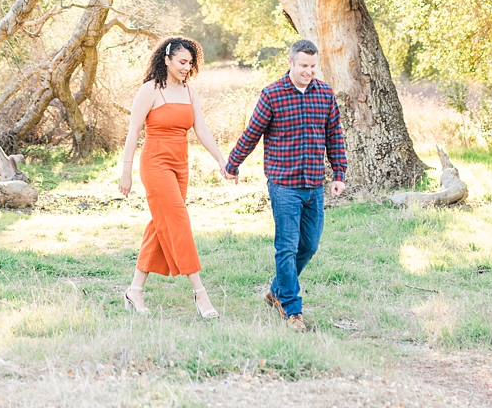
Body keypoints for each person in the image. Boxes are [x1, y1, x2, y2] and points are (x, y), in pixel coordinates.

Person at [224, 39, 347, 332]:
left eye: (313, 66)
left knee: (310, 245)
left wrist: (339, 173)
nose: (309, 71)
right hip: (283, 184)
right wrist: (233, 163)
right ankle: (293, 310)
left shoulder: (325, 94)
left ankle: (276, 289)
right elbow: (252, 133)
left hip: (314, 182)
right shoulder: (272, 95)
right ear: (290, 63)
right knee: (287, 247)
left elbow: (335, 136)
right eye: (304, 66)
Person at [117, 36, 230, 318]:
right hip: (155, 163)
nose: (185, 68)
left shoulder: (190, 93)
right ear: (166, 60)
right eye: (181, 62)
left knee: (161, 223)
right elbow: (133, 132)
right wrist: (126, 171)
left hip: (181, 165)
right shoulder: (150, 90)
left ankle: (134, 291)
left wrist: (221, 159)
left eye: (190, 63)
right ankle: (200, 293)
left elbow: (201, 129)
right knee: (178, 219)